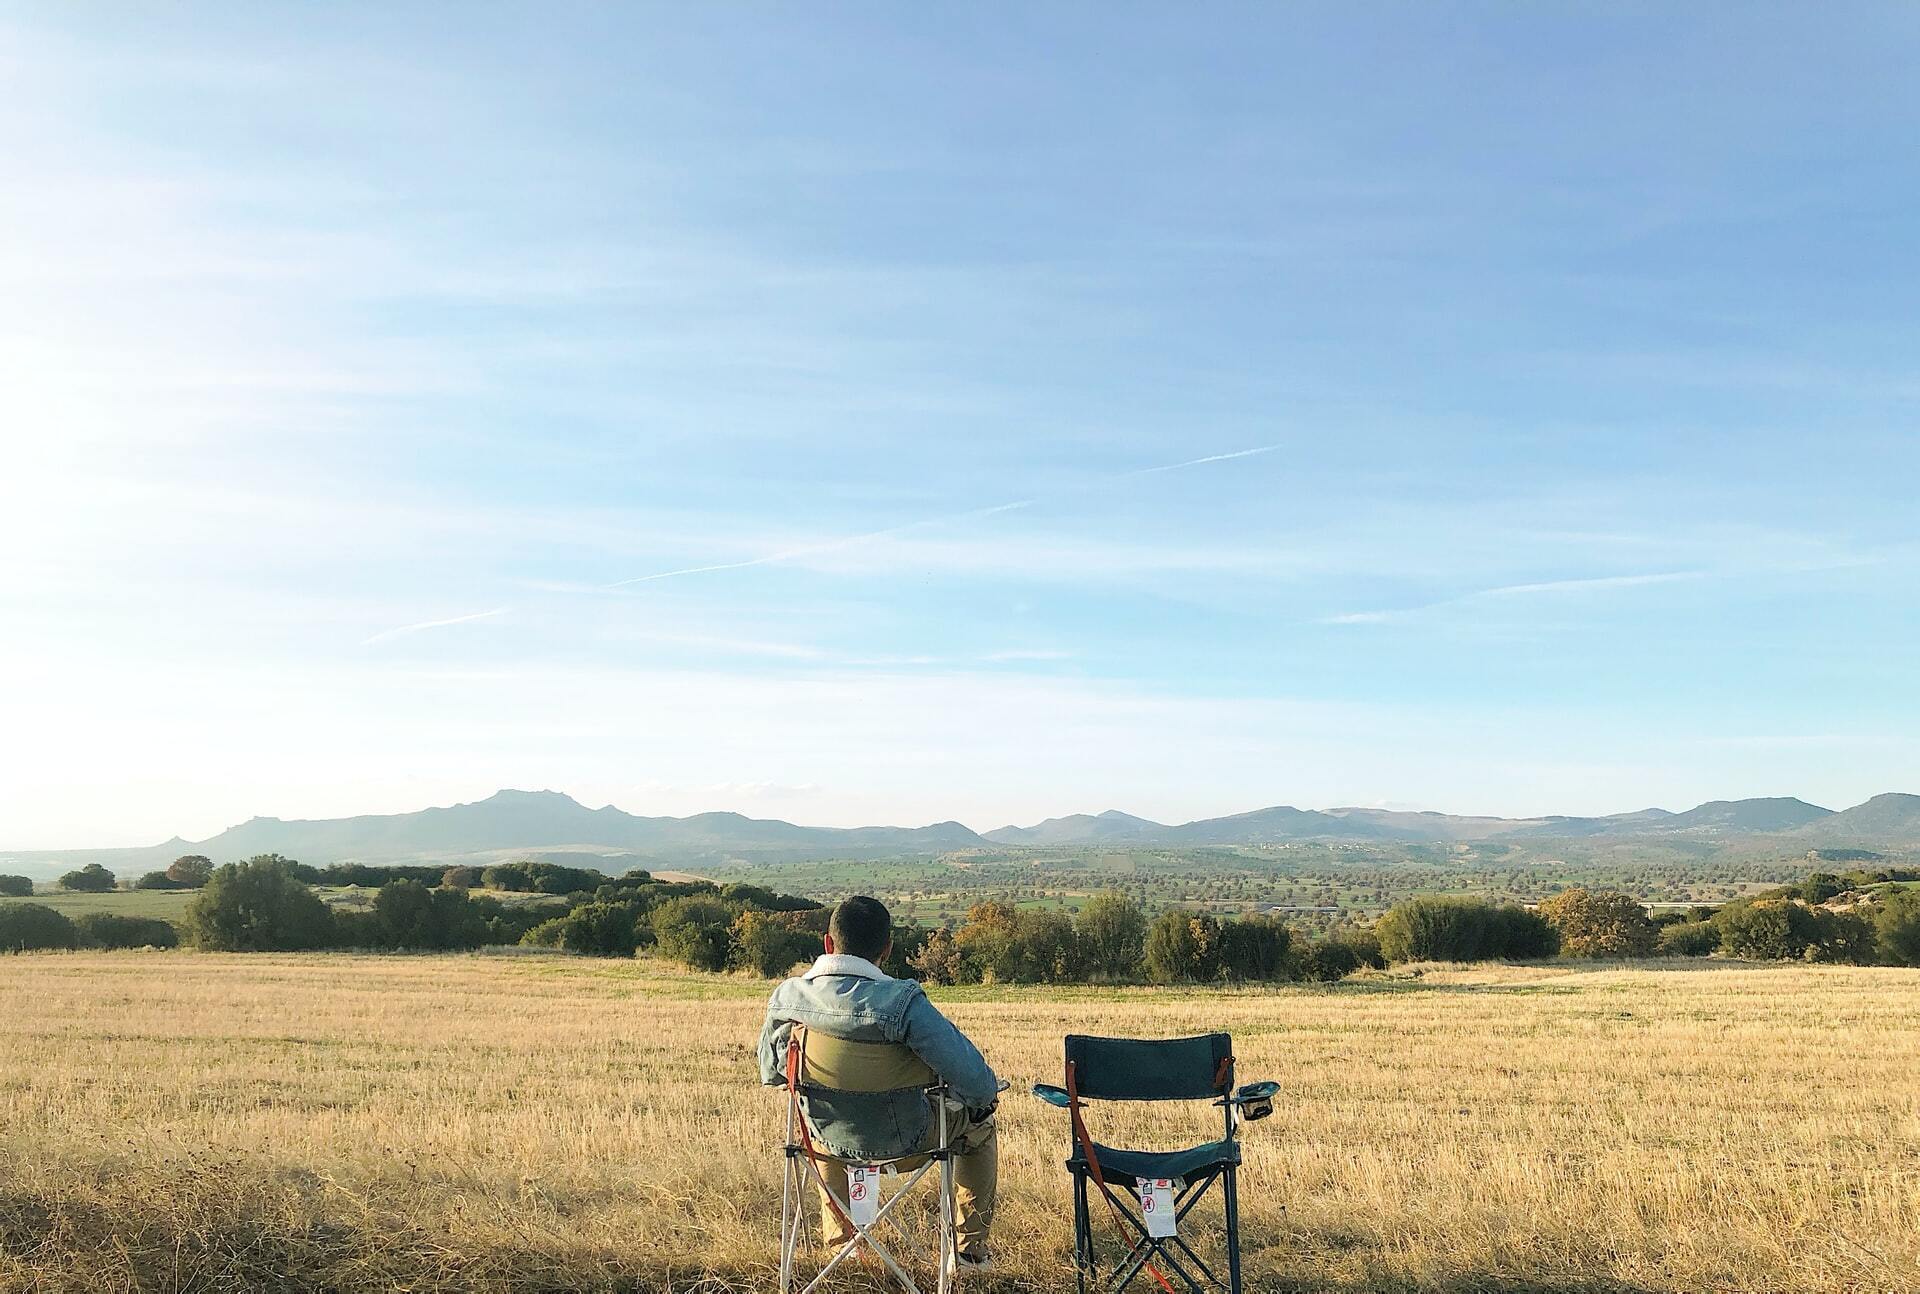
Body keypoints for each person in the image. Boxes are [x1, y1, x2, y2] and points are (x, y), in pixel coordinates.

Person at [759, 895, 1000, 1271]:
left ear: (827, 942)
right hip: (908, 1141)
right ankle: (969, 1254)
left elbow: (771, 1074)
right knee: (980, 1127)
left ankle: (842, 1247)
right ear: (887, 950)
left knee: (820, 1121)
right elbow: (979, 1086)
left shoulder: (787, 997)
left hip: (828, 1140)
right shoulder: (904, 1003)